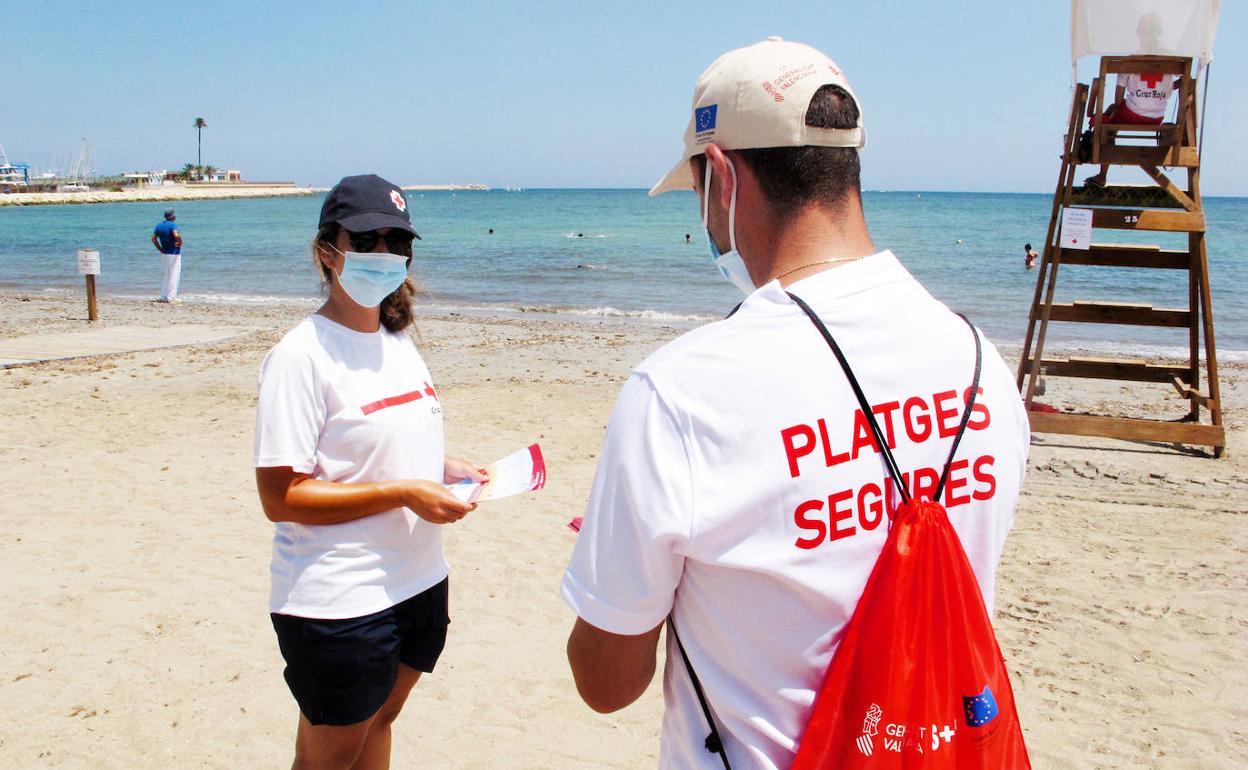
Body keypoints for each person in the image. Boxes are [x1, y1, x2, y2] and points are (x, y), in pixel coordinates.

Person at [561, 38, 1030, 769]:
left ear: (721, 175)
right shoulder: (980, 364)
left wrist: (621, 554)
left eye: (695, 192)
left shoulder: (682, 394)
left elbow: (606, 683)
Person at [254, 174, 487, 770]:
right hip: (340, 600)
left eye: (395, 242)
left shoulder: (398, 341)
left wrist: (442, 467)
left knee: (381, 720)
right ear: (326, 253)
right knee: (330, 755)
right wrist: (405, 492)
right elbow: (281, 497)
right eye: (366, 240)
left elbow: (378, 446)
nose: (383, 255)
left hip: (418, 582)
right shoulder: (300, 356)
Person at [1082, 67, 1180, 187]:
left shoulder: (1127, 63)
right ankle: (1101, 172)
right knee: (1113, 112)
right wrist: (1166, 89)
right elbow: (1185, 80)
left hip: (1131, 116)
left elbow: (1118, 101)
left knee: (1110, 117)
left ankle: (1102, 174)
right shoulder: (1169, 61)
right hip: (1156, 118)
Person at [150, 209, 183, 302]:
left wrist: (159, 248)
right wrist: (180, 242)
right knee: (174, 274)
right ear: (171, 216)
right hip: (174, 253)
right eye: (174, 215)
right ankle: (171, 297)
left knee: (167, 274)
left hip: (164, 253)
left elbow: (153, 239)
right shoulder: (172, 225)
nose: (175, 216)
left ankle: (164, 296)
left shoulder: (159, 226)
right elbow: (176, 235)